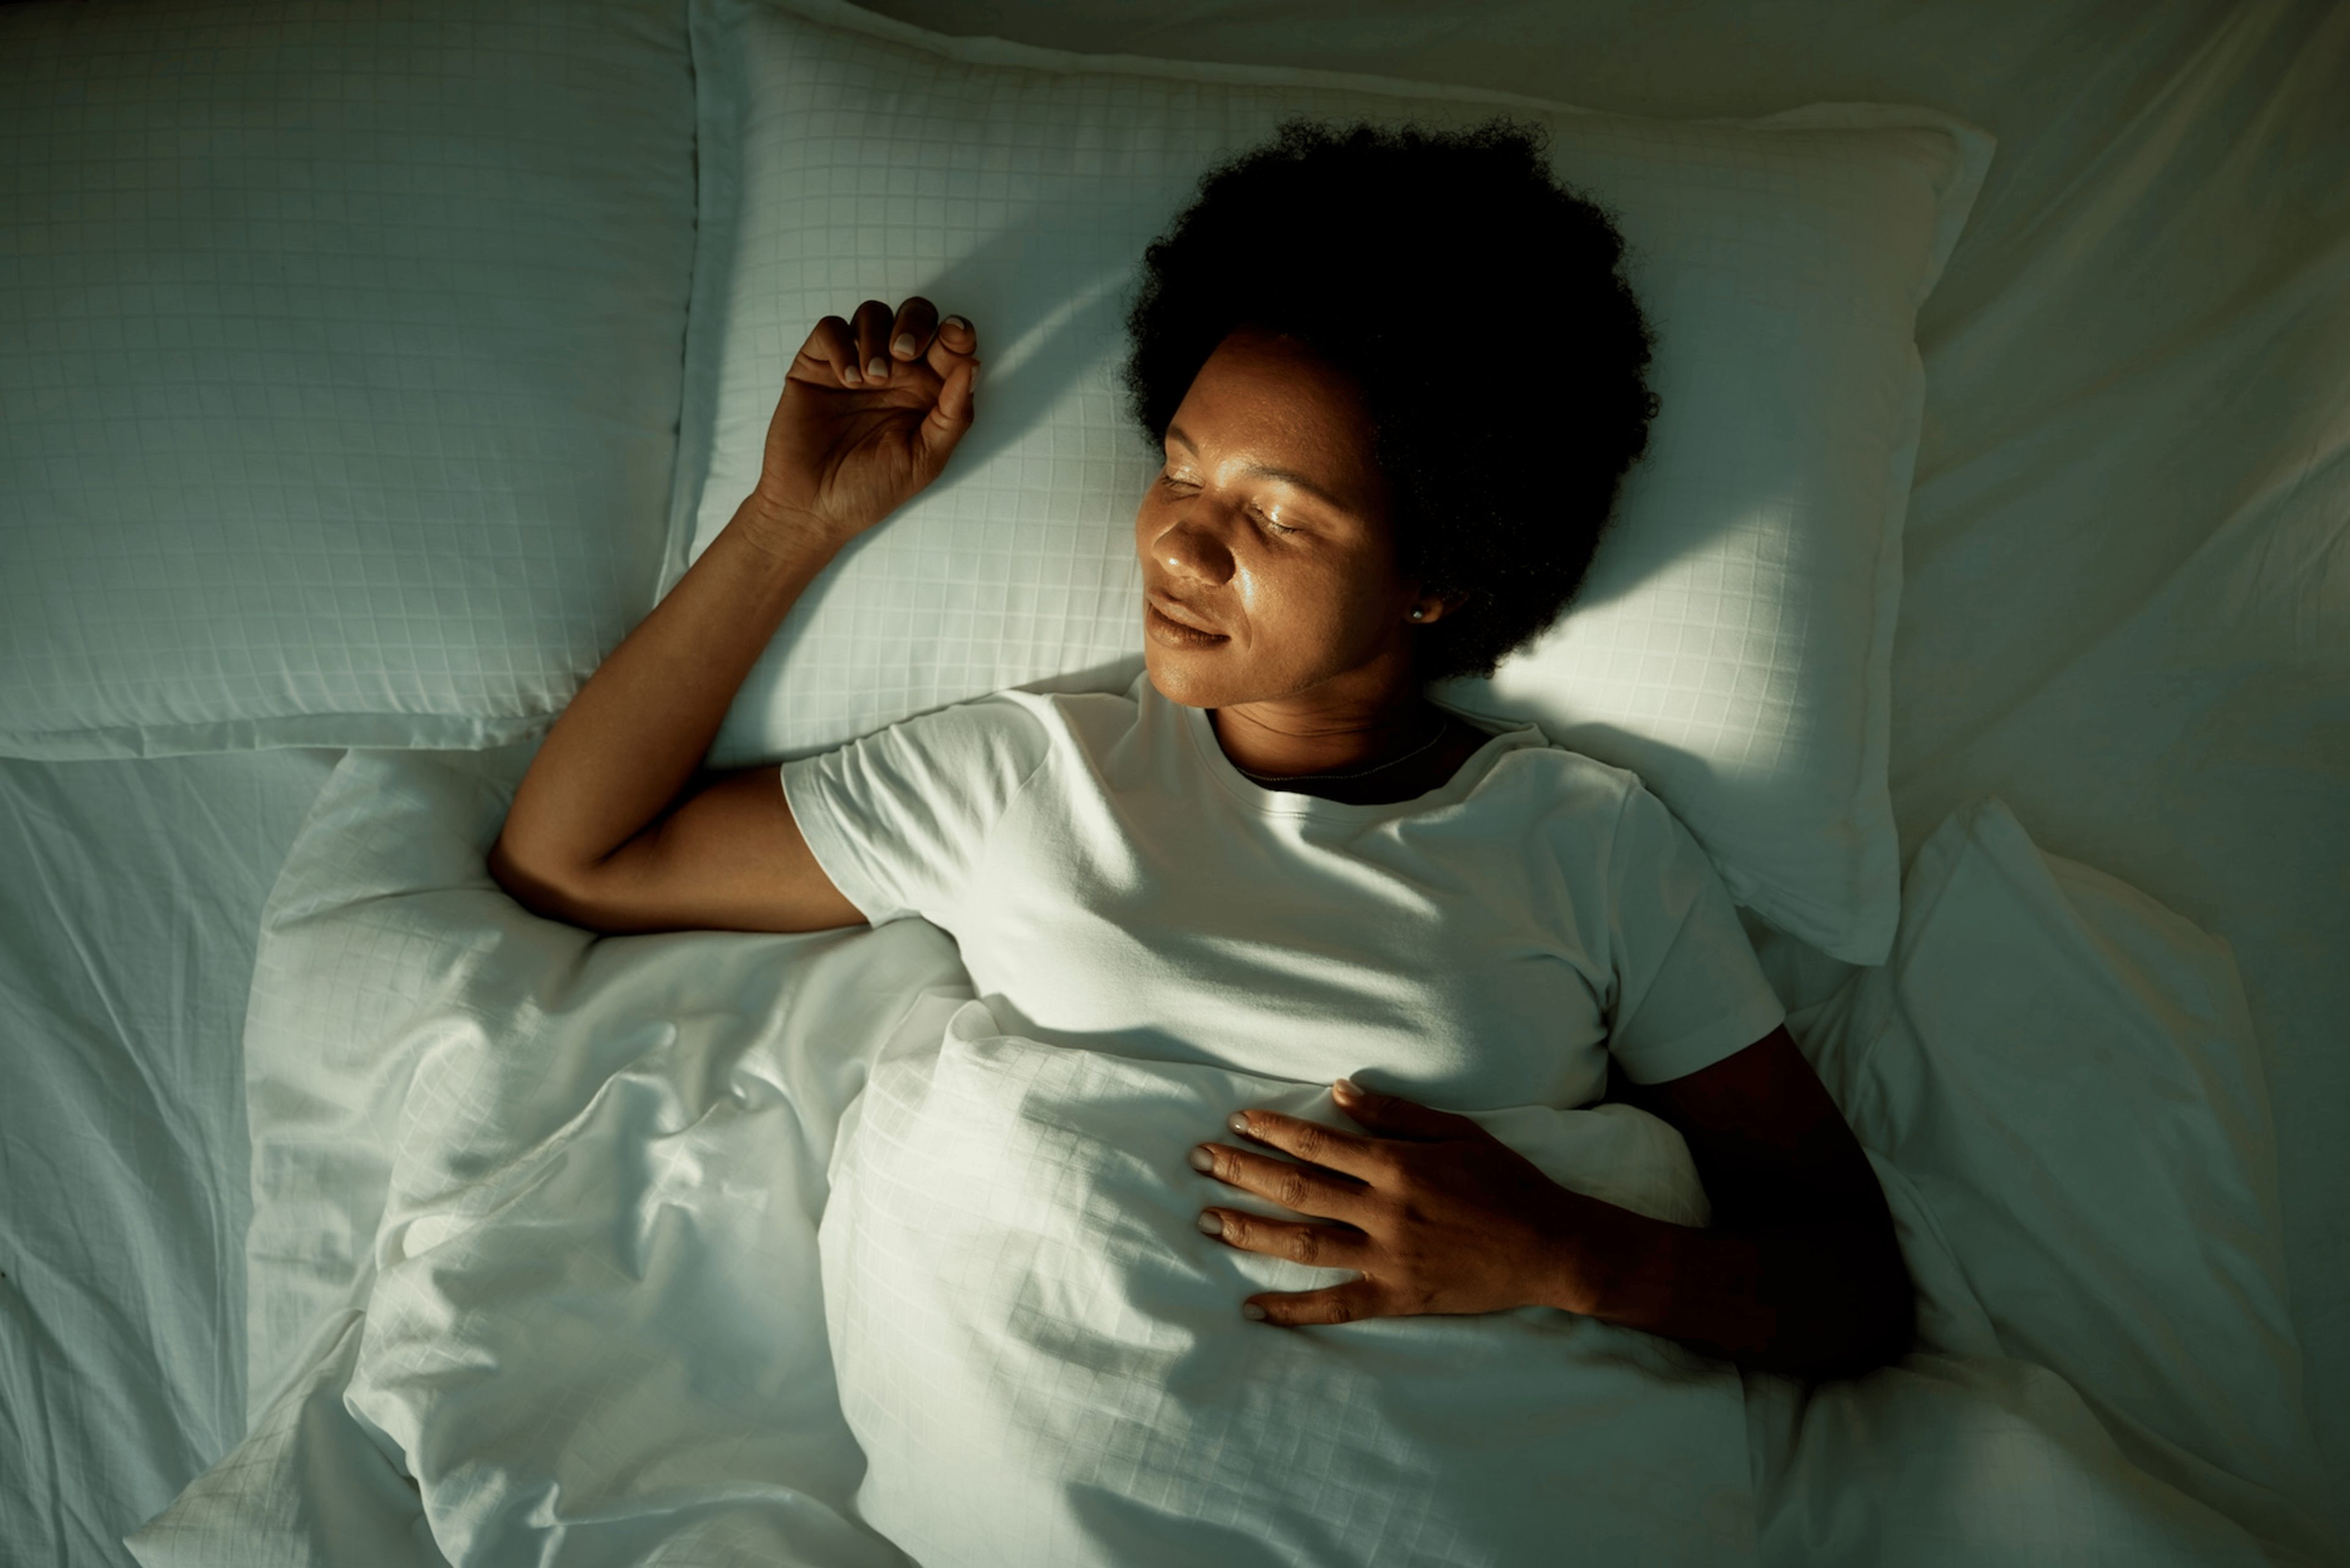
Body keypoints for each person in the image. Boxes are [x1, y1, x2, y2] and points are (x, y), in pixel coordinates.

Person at [488, 118, 1913, 1381]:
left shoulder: (1590, 845)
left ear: (1441, 575)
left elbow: (1856, 1286)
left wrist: (1564, 1254)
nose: (1178, 539)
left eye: (1279, 518)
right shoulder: (1028, 776)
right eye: (1179, 466)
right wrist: (792, 524)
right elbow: (572, 858)